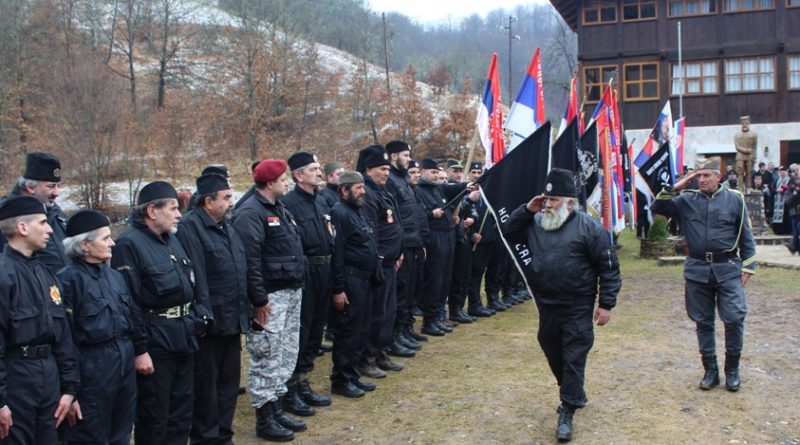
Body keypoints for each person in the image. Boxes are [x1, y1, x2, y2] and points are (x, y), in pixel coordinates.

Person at [503, 168, 621, 442]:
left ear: (569, 201)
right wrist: (527, 209)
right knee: (550, 347)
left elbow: (609, 269)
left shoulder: (591, 229)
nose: (548, 204)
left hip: (577, 304)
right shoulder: (537, 222)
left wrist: (606, 304)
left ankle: (567, 410)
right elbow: (509, 233)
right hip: (546, 303)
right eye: (545, 199)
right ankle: (574, 392)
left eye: (553, 199)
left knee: (573, 356)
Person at [111, 181, 209, 444]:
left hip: (184, 335)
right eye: (174, 208)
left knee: (181, 411)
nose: (179, 214)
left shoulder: (172, 239)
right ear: (152, 211)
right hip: (156, 342)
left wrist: (198, 314)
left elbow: (191, 281)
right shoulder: (128, 244)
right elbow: (128, 302)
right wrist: (140, 350)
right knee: (155, 415)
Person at [651, 156, 756, 393]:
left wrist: (748, 266)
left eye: (707, 175)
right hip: (698, 270)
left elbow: (745, 235)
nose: (702, 180)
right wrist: (677, 186)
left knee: (734, 318)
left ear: (718, 176)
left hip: (728, 269)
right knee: (703, 321)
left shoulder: (734, 199)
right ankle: (710, 371)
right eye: (698, 176)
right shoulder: (686, 200)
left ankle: (732, 371)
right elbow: (657, 207)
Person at [231, 159, 307, 441]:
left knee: (285, 353)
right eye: (283, 179)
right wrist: (259, 299)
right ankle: (264, 417)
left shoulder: (279, 208)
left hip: (290, 291)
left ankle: (276, 406)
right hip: (269, 298)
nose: (287, 182)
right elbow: (249, 261)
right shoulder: (250, 213)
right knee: (266, 355)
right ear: (270, 183)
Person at [177, 173, 249, 445]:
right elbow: (198, 277)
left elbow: (238, 268)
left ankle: (224, 435)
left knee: (229, 385)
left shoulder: (226, 225)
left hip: (232, 319)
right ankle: (207, 438)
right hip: (210, 324)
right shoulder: (190, 228)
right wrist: (204, 316)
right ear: (209, 202)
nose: (232, 202)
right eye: (227, 197)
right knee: (207, 388)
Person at [0, 196, 79, 443]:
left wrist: (69, 389)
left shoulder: (46, 274)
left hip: (48, 374)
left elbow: (63, 337)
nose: (49, 229)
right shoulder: (4, 274)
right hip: (16, 377)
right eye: (43, 222)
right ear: (22, 228)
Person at [58, 209, 136, 445]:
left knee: (121, 433)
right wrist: (71, 391)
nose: (112, 243)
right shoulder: (67, 281)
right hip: (91, 371)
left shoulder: (114, 277)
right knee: (89, 436)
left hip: (122, 363)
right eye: (105, 238)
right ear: (84, 245)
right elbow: (64, 340)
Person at [281, 152, 335, 414]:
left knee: (316, 330)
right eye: (313, 169)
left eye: (319, 168)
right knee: (300, 332)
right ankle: (290, 387)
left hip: (326, 269)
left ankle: (303, 380)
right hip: (306, 271)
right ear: (298, 175)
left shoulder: (322, 200)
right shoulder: (288, 204)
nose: (319, 172)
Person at [328, 171, 380, 398]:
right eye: (357, 188)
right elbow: (337, 253)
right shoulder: (339, 213)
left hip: (365, 278)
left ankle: (352, 373)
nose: (363, 191)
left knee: (361, 329)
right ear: (344, 190)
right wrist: (338, 289)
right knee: (348, 331)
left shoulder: (358, 210)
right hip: (350, 280)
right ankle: (341, 379)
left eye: (362, 187)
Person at [359, 147, 409, 379]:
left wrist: (398, 252)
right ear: (368, 170)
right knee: (376, 312)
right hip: (378, 264)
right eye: (381, 169)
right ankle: (368, 358)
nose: (386, 173)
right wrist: (380, 258)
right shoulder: (367, 195)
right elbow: (371, 232)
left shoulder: (384, 192)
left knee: (388, 311)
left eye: (388, 169)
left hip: (392, 262)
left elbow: (393, 225)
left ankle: (381, 352)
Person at [415, 159, 470, 336]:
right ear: (423, 171)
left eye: (438, 173)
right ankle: (429, 320)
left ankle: (439, 316)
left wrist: (468, 185)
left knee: (445, 279)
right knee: (435, 279)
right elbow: (414, 215)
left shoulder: (439, 187)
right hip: (434, 235)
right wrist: (431, 214)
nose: (436, 176)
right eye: (433, 172)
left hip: (448, 235)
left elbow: (456, 188)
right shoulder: (418, 190)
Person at [384, 141, 426, 354]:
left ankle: (405, 329)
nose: (409, 159)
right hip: (402, 244)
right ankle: (395, 336)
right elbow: (395, 217)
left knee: (409, 291)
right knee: (399, 293)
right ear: (393, 156)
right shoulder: (391, 180)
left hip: (413, 242)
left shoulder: (402, 179)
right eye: (405, 155)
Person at [0, 152, 69, 274]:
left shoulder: (53, 209)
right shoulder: (7, 214)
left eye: (59, 186)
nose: (57, 192)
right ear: (30, 187)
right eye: (51, 186)